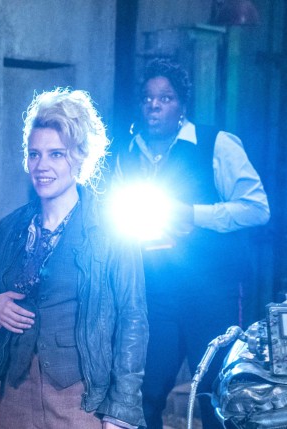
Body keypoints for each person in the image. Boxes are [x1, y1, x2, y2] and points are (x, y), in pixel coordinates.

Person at [114, 58, 270, 429]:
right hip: (154, 292)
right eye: (148, 98)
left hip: (211, 289)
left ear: (182, 105)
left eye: (165, 98)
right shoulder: (127, 153)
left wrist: (194, 215)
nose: (154, 106)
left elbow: (257, 208)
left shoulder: (216, 144)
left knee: (217, 396)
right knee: (145, 393)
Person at [0, 88, 148, 429]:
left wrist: (120, 412)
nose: (42, 166)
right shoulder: (10, 227)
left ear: (81, 157)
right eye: (34, 154)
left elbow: (133, 319)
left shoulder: (111, 227)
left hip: (80, 399)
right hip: (15, 394)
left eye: (56, 154)